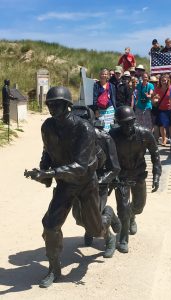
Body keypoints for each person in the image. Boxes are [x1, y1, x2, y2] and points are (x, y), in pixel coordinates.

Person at [24, 86, 119, 288]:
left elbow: (81, 166)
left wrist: (49, 173)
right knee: (50, 225)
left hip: (86, 184)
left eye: (57, 104)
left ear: (67, 106)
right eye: (50, 104)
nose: (52, 107)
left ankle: (108, 219)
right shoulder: (47, 127)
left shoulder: (83, 128)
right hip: (64, 185)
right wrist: (42, 171)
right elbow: (47, 152)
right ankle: (54, 269)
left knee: (94, 229)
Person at [109, 106, 161, 253]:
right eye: (123, 123)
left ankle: (132, 217)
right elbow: (105, 156)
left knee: (139, 206)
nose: (127, 126)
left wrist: (156, 175)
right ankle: (123, 238)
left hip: (138, 175)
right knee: (123, 209)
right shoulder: (113, 135)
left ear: (134, 120)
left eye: (129, 122)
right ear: (118, 123)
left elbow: (155, 154)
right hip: (122, 177)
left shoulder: (144, 134)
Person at [72, 105, 121, 248]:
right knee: (79, 218)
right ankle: (90, 228)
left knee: (95, 219)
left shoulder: (104, 138)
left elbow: (115, 168)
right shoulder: (70, 139)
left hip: (98, 183)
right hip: (77, 182)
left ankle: (109, 237)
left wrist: (99, 182)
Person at [152, 74, 171, 146]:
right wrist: (154, 100)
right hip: (161, 108)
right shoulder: (157, 89)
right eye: (162, 80)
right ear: (160, 81)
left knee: (170, 125)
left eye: (165, 80)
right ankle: (164, 140)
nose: (164, 82)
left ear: (167, 81)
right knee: (162, 125)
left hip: (170, 108)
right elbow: (153, 99)